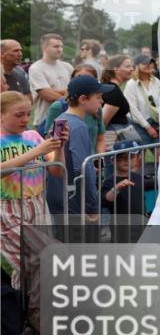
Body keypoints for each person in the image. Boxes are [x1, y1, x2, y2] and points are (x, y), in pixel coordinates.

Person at [0, 91, 64, 335]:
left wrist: (58, 147)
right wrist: (36, 152)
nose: (25, 119)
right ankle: (40, 329)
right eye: (19, 115)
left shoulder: (34, 136)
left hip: (38, 207)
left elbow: (56, 170)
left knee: (36, 274)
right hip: (9, 212)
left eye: (28, 113)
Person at [47, 75, 111, 234]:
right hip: (74, 199)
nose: (101, 101)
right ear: (83, 99)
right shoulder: (79, 127)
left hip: (57, 196)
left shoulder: (60, 120)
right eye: (98, 97)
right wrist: (92, 205)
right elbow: (82, 169)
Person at [41, 64, 107, 154]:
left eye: (88, 79)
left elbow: (100, 139)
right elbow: (51, 142)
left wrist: (99, 160)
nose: (83, 83)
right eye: (79, 78)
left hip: (91, 160)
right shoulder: (59, 108)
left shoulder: (96, 109)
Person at [101, 140, 154, 242]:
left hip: (141, 225)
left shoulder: (138, 177)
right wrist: (116, 189)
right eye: (121, 157)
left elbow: (152, 183)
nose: (126, 160)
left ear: (137, 158)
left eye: (131, 156)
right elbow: (105, 199)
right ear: (113, 160)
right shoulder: (109, 181)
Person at [28, 33, 73, 128]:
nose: (60, 49)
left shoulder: (68, 67)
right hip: (45, 120)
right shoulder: (36, 68)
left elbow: (75, 89)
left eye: (61, 46)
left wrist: (52, 90)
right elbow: (47, 95)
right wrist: (70, 97)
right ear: (44, 48)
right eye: (56, 46)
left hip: (67, 119)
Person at [100, 55, 140, 143]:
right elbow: (103, 122)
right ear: (116, 69)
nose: (132, 69)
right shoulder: (113, 91)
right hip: (114, 140)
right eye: (128, 66)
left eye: (132, 66)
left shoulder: (112, 88)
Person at [123, 54, 160, 145]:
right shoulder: (131, 84)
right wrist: (147, 127)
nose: (149, 65)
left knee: (159, 150)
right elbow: (132, 109)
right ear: (137, 66)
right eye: (145, 63)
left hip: (155, 122)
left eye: (151, 63)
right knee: (140, 152)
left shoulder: (156, 81)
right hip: (137, 124)